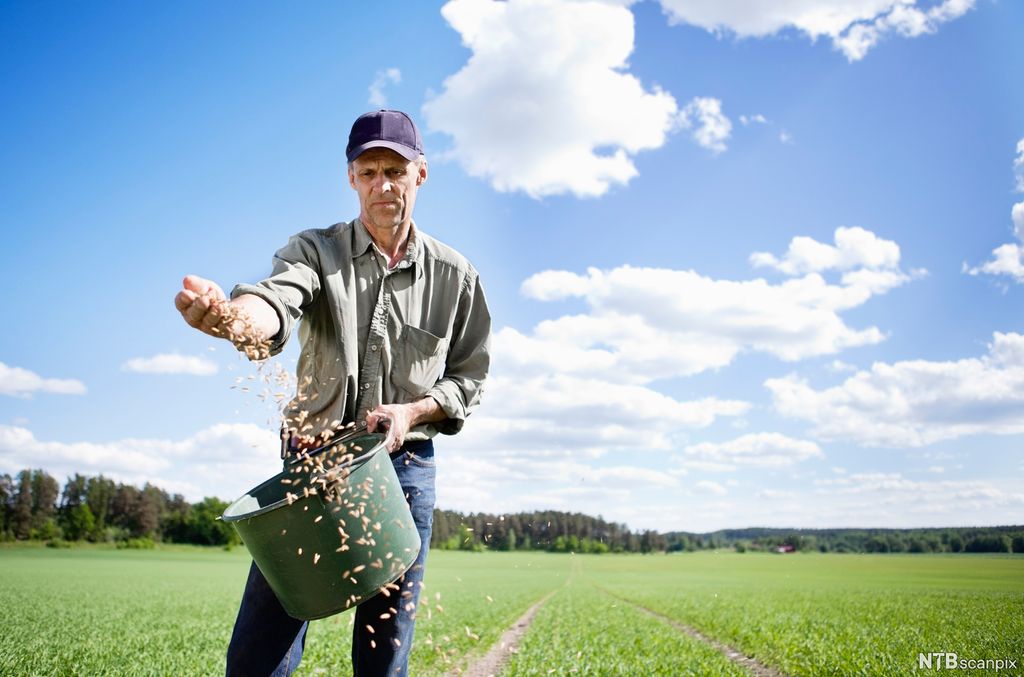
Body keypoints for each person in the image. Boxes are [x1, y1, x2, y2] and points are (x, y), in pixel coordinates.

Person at [174, 109, 491, 676]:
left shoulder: (456, 275)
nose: (382, 185)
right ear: (351, 178)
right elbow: (276, 300)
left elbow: (469, 376)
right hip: (313, 460)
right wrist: (235, 318)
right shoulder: (316, 251)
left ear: (421, 173)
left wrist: (413, 411)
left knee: (386, 640)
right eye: (368, 172)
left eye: (395, 170)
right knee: (266, 634)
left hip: (403, 467)